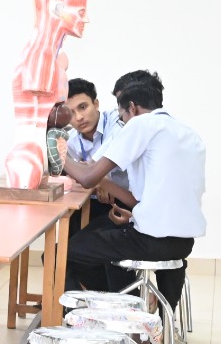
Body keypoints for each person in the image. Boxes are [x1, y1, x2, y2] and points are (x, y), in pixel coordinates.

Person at [62, 71, 206, 308]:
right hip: (183, 242)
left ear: (132, 107)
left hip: (150, 240)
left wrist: (57, 151)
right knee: (107, 243)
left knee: (67, 252)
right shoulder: (187, 133)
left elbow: (87, 178)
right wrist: (134, 214)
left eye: (123, 117)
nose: (123, 123)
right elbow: (157, 197)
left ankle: (115, 311)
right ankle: (147, 316)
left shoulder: (140, 124)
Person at [62, 77, 128, 229]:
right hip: (93, 200)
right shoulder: (70, 140)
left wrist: (99, 179)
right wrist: (96, 182)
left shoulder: (117, 122)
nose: (79, 117)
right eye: (70, 113)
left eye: (83, 107)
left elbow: (91, 170)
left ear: (96, 104)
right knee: (70, 228)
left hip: (126, 201)